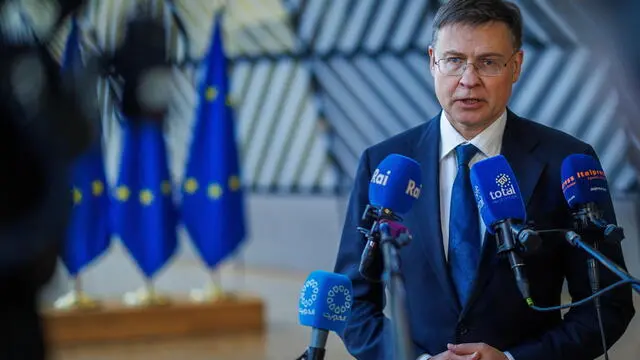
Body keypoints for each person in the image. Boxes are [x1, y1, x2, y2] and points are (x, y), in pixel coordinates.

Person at [333, 1, 635, 359]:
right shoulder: (383, 163)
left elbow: (608, 304)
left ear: (516, 66)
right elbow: (350, 300)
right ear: (432, 61)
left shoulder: (567, 161)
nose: (468, 79)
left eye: (488, 62)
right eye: (454, 60)